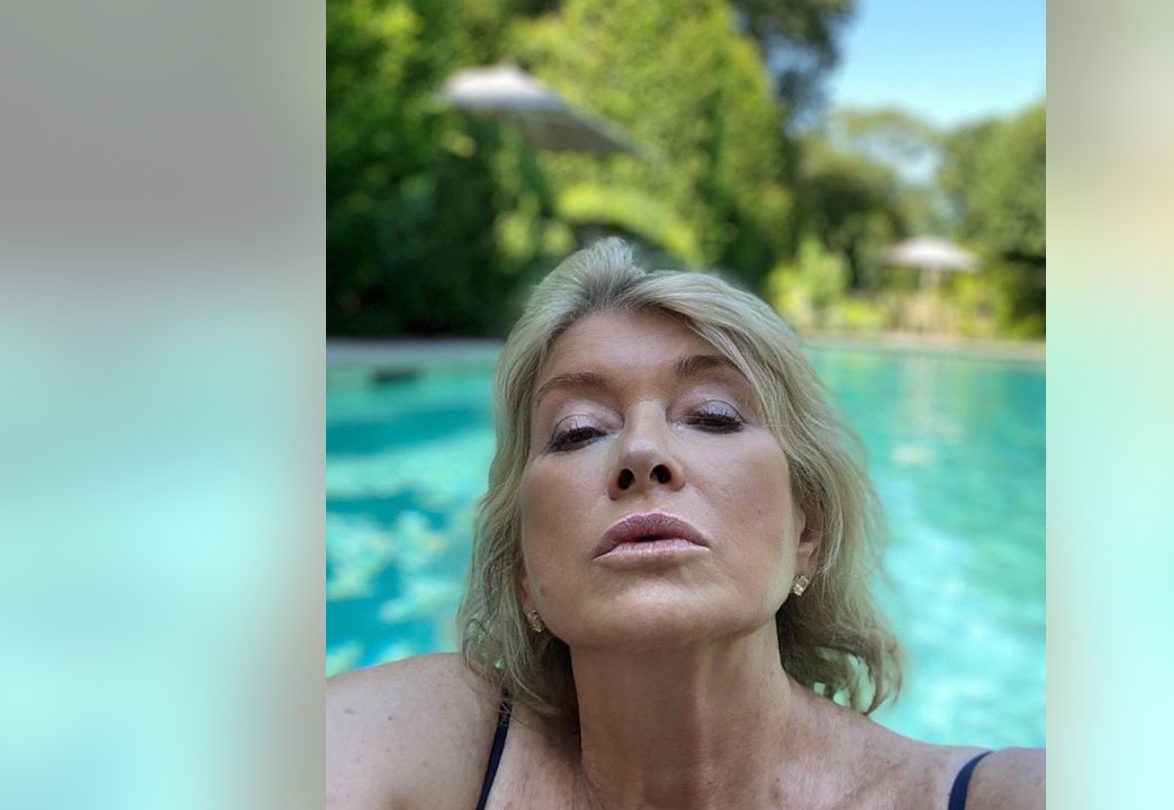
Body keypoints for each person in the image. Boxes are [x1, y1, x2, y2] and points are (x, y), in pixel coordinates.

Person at [327, 239, 1045, 809]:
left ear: (808, 532)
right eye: (579, 431)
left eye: (713, 415)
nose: (642, 452)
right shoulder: (425, 742)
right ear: (522, 567)